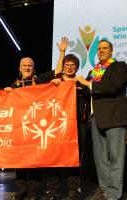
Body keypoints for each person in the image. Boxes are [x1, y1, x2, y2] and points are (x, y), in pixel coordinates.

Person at [5, 37, 69, 200]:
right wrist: (4, 94)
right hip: (20, 128)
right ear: (19, 68)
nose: (27, 67)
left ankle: (33, 192)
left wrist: (62, 52)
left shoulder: (40, 80)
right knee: (20, 161)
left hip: (36, 128)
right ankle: (21, 191)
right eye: (24, 65)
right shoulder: (14, 85)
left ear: (34, 68)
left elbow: (58, 71)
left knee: (35, 161)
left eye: (30, 65)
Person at [74, 39, 127, 200]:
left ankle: (114, 193)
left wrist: (87, 83)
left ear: (111, 51)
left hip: (113, 117)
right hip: (95, 118)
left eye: (105, 48)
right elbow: (85, 89)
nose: (101, 50)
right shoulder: (94, 71)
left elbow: (113, 86)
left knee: (115, 157)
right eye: (99, 49)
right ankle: (105, 189)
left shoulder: (120, 66)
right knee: (100, 159)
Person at [41, 53, 89, 200]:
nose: (69, 67)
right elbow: (37, 85)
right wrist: (52, 84)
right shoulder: (55, 81)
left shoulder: (81, 83)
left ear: (77, 67)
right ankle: (52, 190)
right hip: (57, 126)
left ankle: (74, 190)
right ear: (63, 66)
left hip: (76, 126)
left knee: (74, 158)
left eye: (72, 65)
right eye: (67, 64)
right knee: (55, 157)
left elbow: (90, 103)